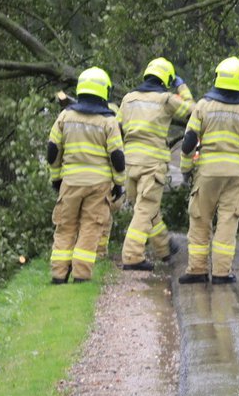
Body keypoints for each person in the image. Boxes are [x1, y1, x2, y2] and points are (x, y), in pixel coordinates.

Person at [179, 57, 239, 285]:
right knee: (227, 222)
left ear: (218, 77)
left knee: (199, 220)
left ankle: (197, 270)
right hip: (236, 176)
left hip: (207, 174)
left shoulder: (203, 106)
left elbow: (188, 142)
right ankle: (221, 273)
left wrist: (186, 170)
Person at [47, 66, 126, 284]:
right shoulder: (108, 121)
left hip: (70, 182)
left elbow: (53, 150)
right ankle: (81, 275)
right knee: (91, 228)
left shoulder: (65, 116)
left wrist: (56, 178)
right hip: (99, 186)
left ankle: (58, 274)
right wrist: (118, 185)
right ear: (104, 92)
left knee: (65, 226)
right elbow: (117, 158)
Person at [117, 58, 194, 270]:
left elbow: (117, 128)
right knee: (145, 211)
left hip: (130, 164)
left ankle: (164, 248)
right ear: (166, 79)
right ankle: (132, 257)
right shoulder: (166, 99)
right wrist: (182, 86)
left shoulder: (129, 99)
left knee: (147, 210)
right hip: (152, 165)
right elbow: (193, 111)